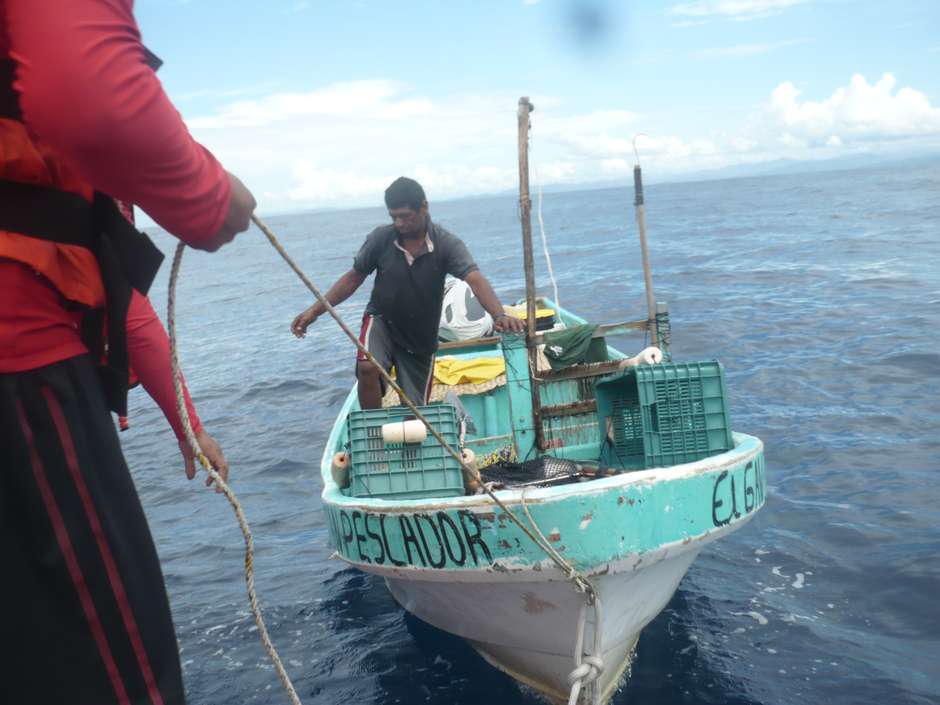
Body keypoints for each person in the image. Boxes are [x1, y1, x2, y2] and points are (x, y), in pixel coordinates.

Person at [0, 3, 255, 704]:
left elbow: (125, 309)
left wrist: (187, 422)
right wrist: (209, 196)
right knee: (122, 676)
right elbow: (85, 93)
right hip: (21, 366)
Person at [291, 176, 525, 408]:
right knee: (367, 366)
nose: (400, 223)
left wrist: (499, 315)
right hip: (382, 319)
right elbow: (353, 278)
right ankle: (373, 433)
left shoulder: (446, 244)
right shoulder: (381, 239)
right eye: (394, 217)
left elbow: (475, 279)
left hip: (420, 334)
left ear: (424, 207)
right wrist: (314, 312)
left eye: (405, 216)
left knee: (415, 410)